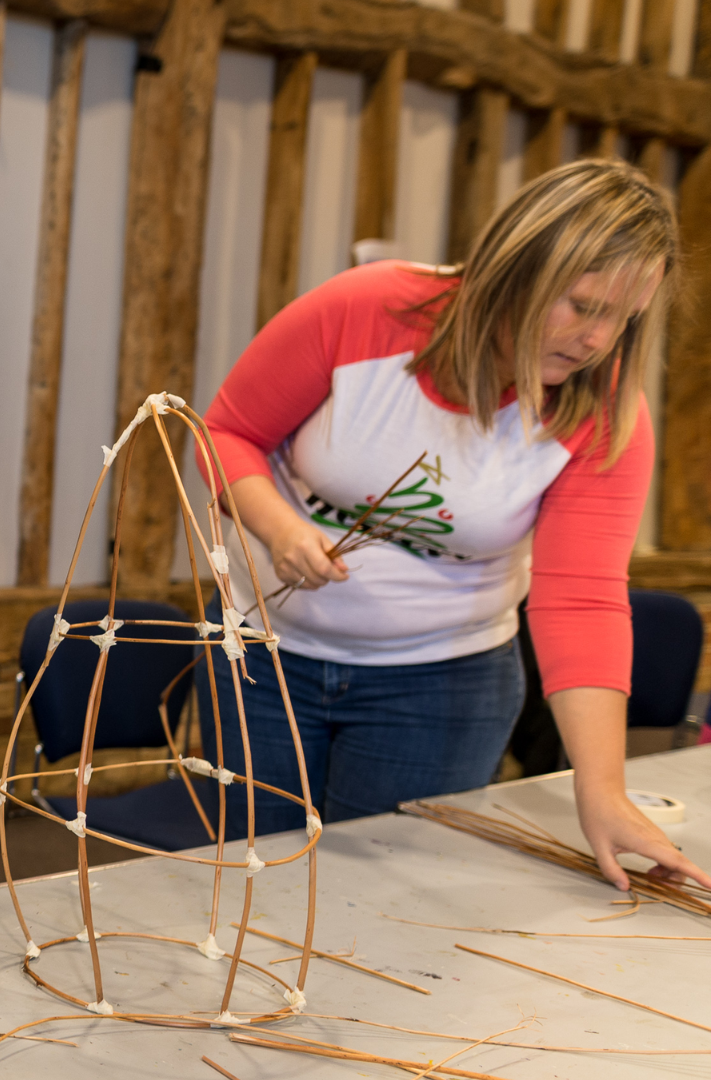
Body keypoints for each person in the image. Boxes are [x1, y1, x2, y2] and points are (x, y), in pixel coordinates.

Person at [201, 158, 709, 891]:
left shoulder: (603, 410)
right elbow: (225, 433)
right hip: (261, 661)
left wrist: (601, 791)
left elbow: (583, 599)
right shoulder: (368, 309)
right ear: (515, 268)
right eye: (582, 305)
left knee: (376, 901)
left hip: (440, 689)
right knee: (248, 886)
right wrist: (279, 527)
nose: (598, 340)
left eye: (624, 319)